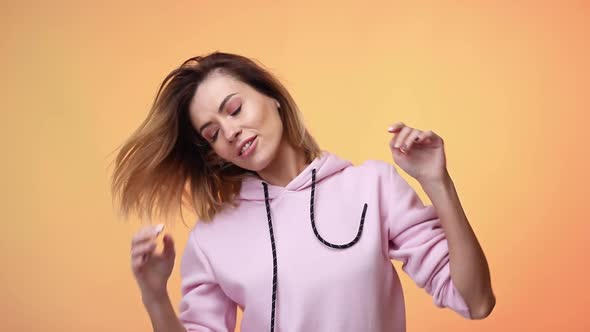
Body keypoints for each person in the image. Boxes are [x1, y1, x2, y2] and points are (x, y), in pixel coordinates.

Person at [112, 51, 495, 332]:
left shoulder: (371, 187)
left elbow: (475, 301)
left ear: (272, 97)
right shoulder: (211, 238)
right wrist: (155, 296)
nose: (229, 132)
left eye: (234, 110)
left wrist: (436, 182)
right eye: (212, 134)